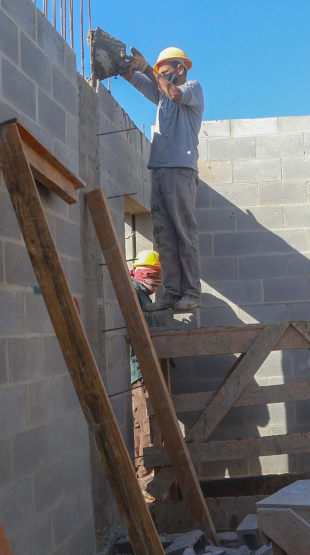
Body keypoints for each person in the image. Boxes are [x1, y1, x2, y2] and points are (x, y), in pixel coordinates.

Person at [122, 47, 204, 312]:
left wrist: (148, 68)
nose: (162, 77)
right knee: (164, 236)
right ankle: (171, 293)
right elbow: (134, 79)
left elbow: (175, 94)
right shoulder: (162, 96)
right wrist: (122, 64)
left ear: (181, 69)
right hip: (158, 169)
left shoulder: (191, 88)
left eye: (166, 72)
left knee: (183, 232)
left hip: (181, 169)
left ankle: (191, 292)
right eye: (161, 73)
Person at [129, 250, 162, 496]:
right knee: (146, 424)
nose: (155, 280)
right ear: (139, 273)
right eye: (152, 274)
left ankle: (143, 474)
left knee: (143, 425)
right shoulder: (135, 293)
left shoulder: (143, 296)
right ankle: (146, 479)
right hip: (141, 371)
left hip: (143, 370)